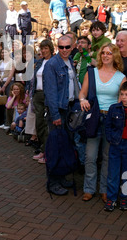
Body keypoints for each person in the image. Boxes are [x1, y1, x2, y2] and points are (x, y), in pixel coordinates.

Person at [79, 43, 126, 203]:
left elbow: (122, 101)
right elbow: (82, 93)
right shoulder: (91, 73)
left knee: (107, 157)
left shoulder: (121, 77)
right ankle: (89, 189)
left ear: (115, 56)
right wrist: (82, 100)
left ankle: (105, 189)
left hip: (112, 120)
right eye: (103, 53)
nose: (106, 56)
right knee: (90, 156)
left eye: (109, 53)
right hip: (94, 118)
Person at [43, 34, 80, 195]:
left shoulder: (70, 61)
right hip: (58, 110)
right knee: (55, 147)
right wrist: (55, 115)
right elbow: (50, 92)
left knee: (66, 145)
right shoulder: (52, 64)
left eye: (67, 47)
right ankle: (53, 182)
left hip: (69, 108)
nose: (64, 50)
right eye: (60, 47)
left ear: (72, 47)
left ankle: (62, 176)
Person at [104, 82, 127, 211]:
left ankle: (124, 198)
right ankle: (111, 199)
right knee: (113, 173)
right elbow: (108, 125)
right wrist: (111, 138)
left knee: (126, 173)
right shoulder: (114, 108)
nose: (124, 97)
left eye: (126, 95)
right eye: (122, 94)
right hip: (116, 144)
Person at [30, 39, 54, 163]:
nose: (43, 51)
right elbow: (33, 80)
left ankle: (47, 153)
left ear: (50, 48)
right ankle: (43, 150)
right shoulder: (39, 63)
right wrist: (32, 95)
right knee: (39, 124)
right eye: (42, 49)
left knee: (46, 125)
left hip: (48, 95)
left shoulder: (54, 62)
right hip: (37, 95)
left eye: (46, 48)